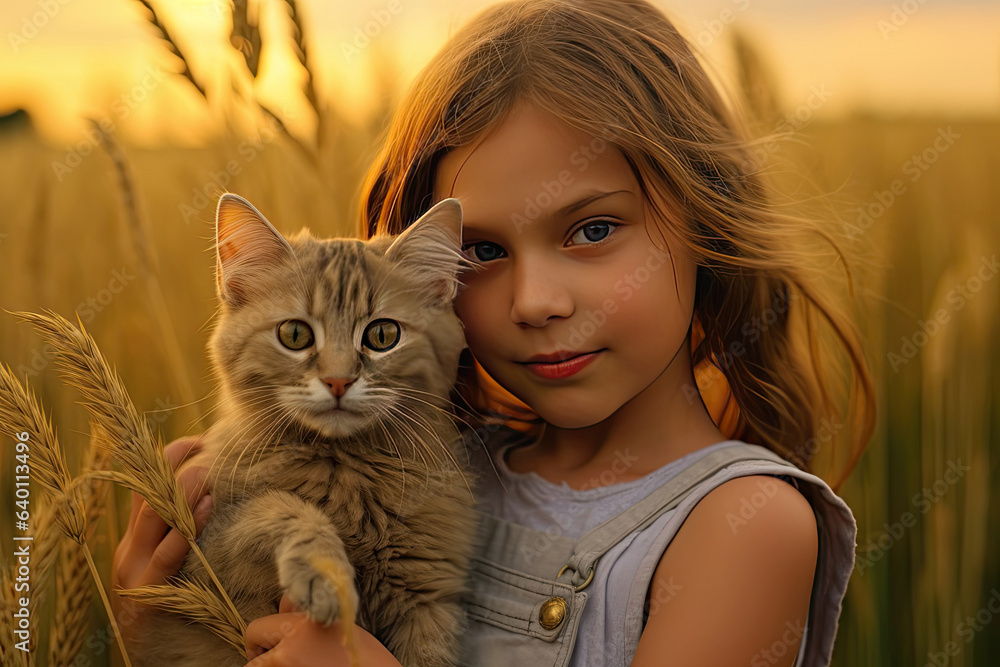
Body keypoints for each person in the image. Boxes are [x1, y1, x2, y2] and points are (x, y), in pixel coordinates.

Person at [112, 0, 876, 665]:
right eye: (481, 251)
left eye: (593, 228)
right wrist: (154, 615)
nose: (536, 300)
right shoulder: (439, 461)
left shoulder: (744, 526)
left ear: (704, 219)